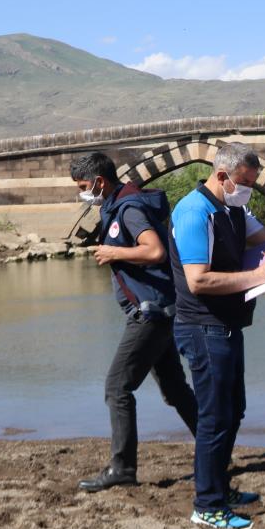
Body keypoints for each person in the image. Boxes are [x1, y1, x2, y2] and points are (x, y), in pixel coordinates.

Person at [168, 141, 265, 529]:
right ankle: (207, 504)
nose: (250, 189)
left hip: (228, 325)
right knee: (214, 416)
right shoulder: (193, 212)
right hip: (202, 327)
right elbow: (198, 280)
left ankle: (220, 487)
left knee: (232, 411)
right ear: (222, 176)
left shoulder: (234, 207)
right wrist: (257, 276)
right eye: (245, 182)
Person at [69, 152, 199, 493]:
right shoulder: (117, 205)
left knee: (117, 387)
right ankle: (215, 445)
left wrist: (114, 253)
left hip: (151, 314)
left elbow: (154, 250)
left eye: (84, 187)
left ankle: (123, 468)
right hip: (158, 311)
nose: (83, 193)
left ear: (100, 181)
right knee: (174, 390)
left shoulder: (129, 208)